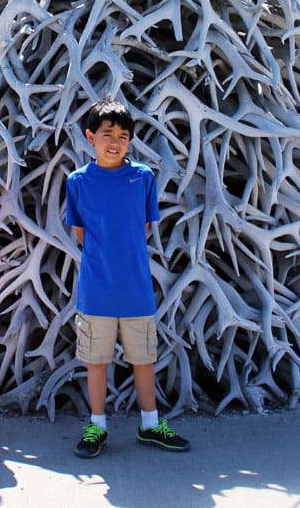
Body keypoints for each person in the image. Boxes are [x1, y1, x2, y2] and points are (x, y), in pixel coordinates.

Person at [65, 98, 190, 458]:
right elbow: (81, 233)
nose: (114, 142)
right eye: (107, 134)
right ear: (90, 137)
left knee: (143, 358)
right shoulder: (78, 182)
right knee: (97, 360)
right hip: (96, 290)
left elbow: (146, 228)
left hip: (136, 290)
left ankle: (150, 424)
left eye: (122, 135)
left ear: (131, 140)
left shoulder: (143, 177)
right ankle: (97, 426)